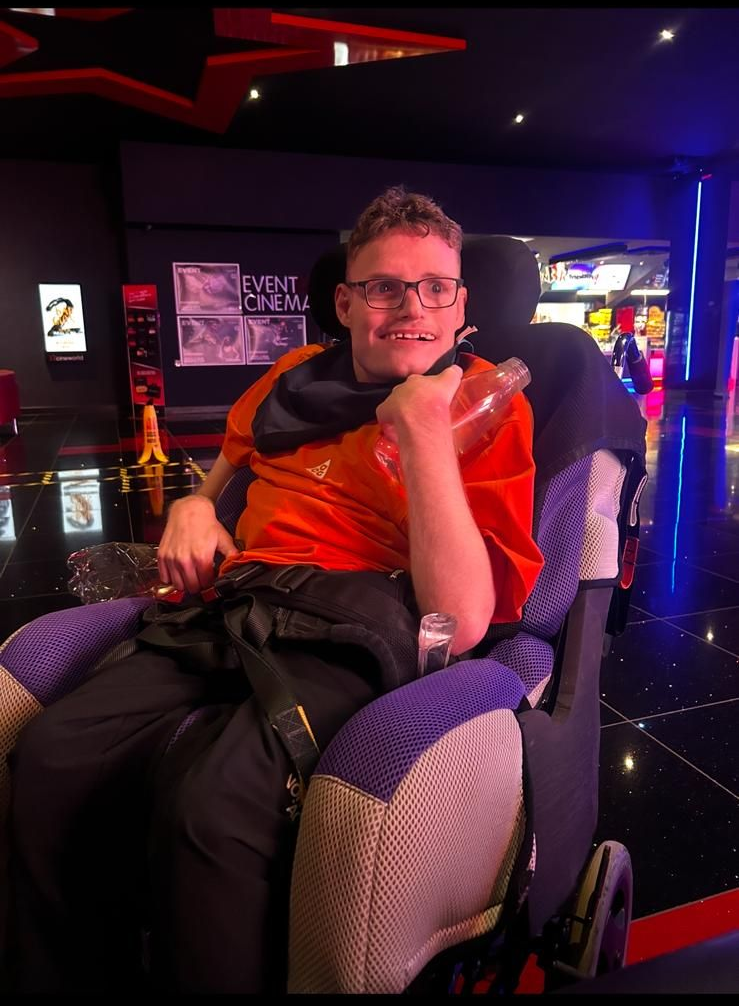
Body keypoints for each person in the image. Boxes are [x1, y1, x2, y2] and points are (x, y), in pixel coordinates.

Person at [7, 187, 544, 994]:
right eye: (384, 287)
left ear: (461, 301)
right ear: (345, 300)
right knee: (52, 757)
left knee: (213, 812)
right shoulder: (294, 376)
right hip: (233, 607)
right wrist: (191, 505)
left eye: (436, 286)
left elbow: (460, 619)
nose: (412, 306)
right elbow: (221, 477)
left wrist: (426, 428)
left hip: (354, 624)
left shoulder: (486, 408)